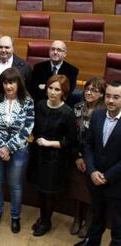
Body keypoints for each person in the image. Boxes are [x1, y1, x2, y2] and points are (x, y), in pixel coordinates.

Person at [28, 74, 77, 237]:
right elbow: (34, 129)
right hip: (38, 156)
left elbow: (70, 142)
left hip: (55, 159)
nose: (53, 92)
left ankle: (46, 222)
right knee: (40, 190)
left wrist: (49, 143)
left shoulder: (68, 113)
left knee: (48, 192)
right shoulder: (40, 105)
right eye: (50, 88)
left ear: (64, 93)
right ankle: (43, 218)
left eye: (57, 89)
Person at [0, 68, 35, 233]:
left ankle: (15, 217)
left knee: (15, 185)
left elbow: (27, 129)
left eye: (12, 82)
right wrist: (1, 147)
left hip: (18, 150)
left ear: (18, 83)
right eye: (5, 82)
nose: (8, 86)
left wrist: (8, 147)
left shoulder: (27, 101)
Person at [74, 80, 121, 246]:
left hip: (116, 182)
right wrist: (92, 171)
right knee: (96, 215)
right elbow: (88, 144)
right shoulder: (98, 115)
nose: (110, 100)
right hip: (94, 178)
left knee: (118, 224)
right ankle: (92, 242)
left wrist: (107, 176)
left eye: (116, 97)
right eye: (108, 96)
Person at [68, 78, 105, 238]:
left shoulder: (104, 112)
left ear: (102, 94)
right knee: (78, 188)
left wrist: (90, 160)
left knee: (91, 191)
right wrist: (78, 156)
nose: (89, 93)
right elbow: (72, 135)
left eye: (94, 90)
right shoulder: (77, 107)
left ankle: (89, 221)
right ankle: (77, 218)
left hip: (96, 159)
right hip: (78, 156)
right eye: (88, 89)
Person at [0, 35, 32, 102]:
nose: (3, 50)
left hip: (16, 106)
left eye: (7, 47)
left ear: (13, 48)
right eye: (0, 47)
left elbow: (28, 89)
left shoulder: (24, 66)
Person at [31, 40, 79, 105]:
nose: (55, 52)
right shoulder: (38, 67)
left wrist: (45, 87)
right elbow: (34, 90)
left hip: (62, 106)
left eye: (59, 50)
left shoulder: (72, 71)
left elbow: (67, 93)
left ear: (65, 54)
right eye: (52, 49)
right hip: (41, 104)